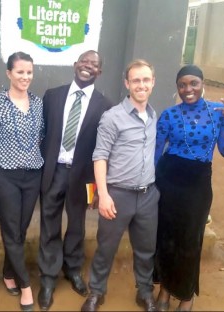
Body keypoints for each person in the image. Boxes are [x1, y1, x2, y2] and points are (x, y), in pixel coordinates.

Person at [154, 65, 224, 311]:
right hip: (168, 180)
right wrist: (151, 183)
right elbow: (155, 152)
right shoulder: (169, 115)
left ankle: (186, 295)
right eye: (182, 85)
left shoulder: (218, 111)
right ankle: (164, 289)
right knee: (167, 237)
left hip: (197, 185)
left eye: (193, 83)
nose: (188, 89)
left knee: (190, 240)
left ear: (203, 83)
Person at [80, 59, 160, 312]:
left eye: (146, 80)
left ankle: (144, 292)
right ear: (127, 83)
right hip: (118, 195)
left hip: (148, 195)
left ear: (153, 83)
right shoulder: (112, 117)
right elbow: (100, 156)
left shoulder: (153, 115)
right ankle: (96, 292)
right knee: (106, 247)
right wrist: (103, 195)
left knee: (146, 249)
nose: (141, 85)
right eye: (136, 80)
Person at [38, 50, 113, 311]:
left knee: (77, 225)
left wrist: (97, 186)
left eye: (94, 64)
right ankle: (48, 277)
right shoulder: (52, 96)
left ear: (99, 72)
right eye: (84, 61)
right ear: (75, 65)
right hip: (54, 170)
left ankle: (72, 269)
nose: (88, 66)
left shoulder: (106, 106)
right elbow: (43, 133)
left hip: (83, 176)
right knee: (49, 221)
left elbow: (103, 147)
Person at [0, 51, 44, 312]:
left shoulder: (38, 103)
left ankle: (9, 273)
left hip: (32, 176)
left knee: (19, 231)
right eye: (20, 72)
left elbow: (41, 136)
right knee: (11, 230)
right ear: (9, 73)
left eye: (29, 72)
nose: (25, 77)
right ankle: (26, 286)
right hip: (4, 176)